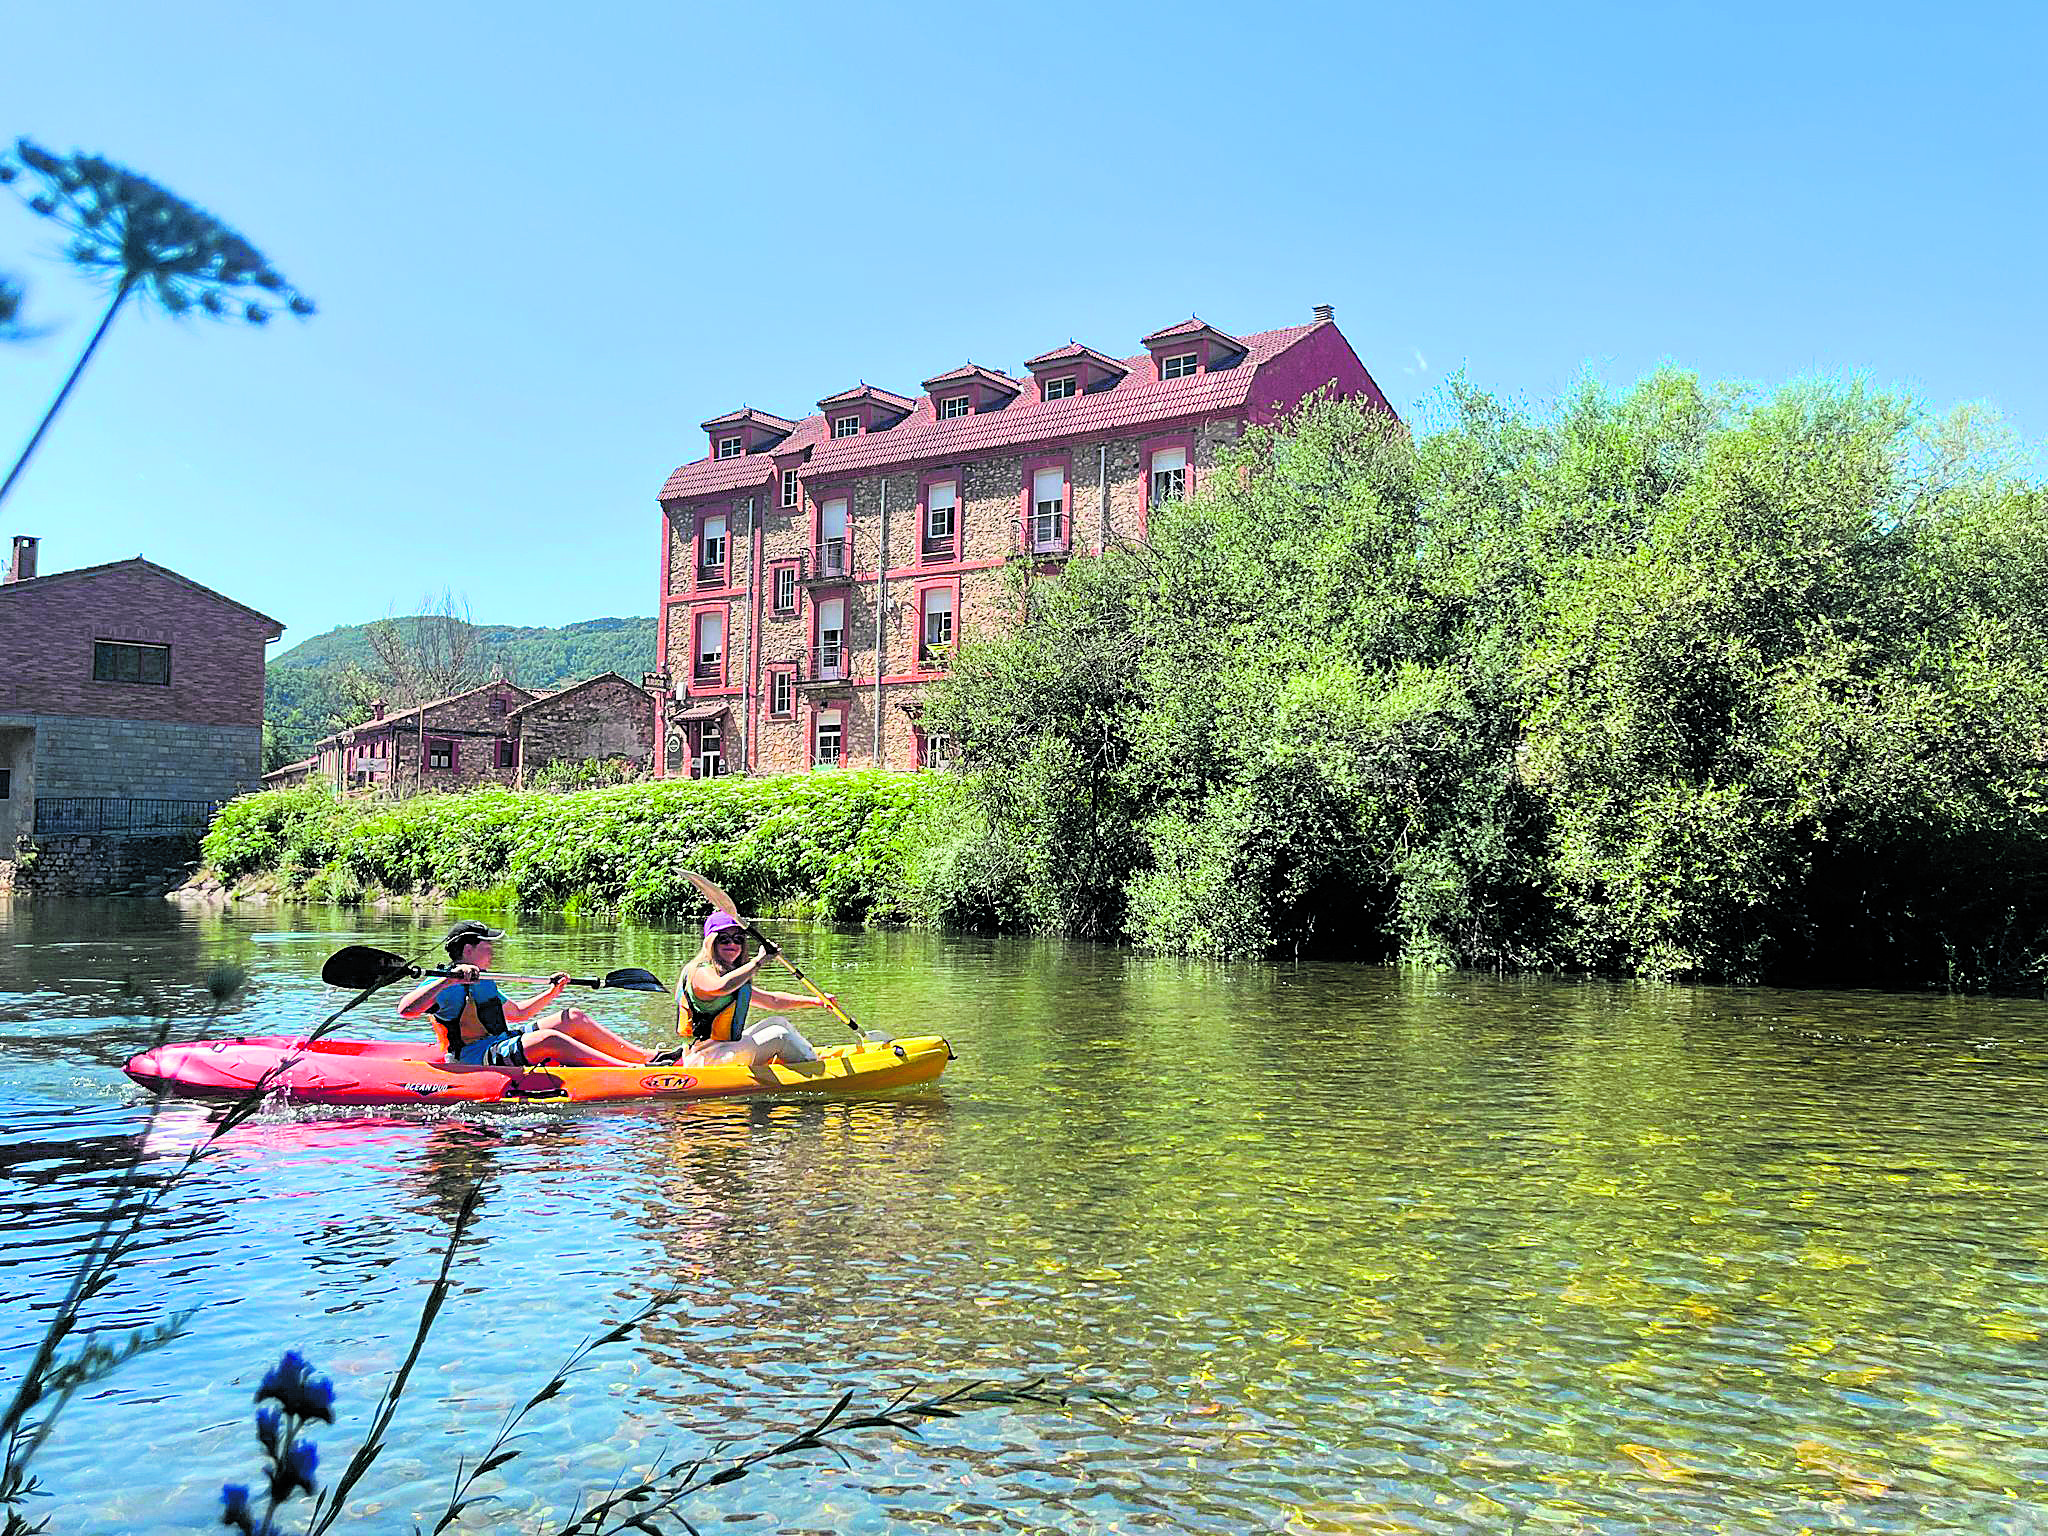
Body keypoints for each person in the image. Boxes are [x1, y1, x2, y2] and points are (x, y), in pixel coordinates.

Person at [398, 920, 654, 1068]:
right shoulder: (441, 982)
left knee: (572, 1016)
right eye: (488, 945)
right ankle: (630, 1071)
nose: (492, 951)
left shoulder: (484, 980)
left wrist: (552, 992)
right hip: (472, 1057)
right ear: (468, 949)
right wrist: (446, 981)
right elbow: (406, 1010)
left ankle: (649, 1058)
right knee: (548, 1039)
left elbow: (519, 1014)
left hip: (500, 1041)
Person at [673, 912, 834, 1066]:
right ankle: (815, 1068)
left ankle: (807, 1059)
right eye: (724, 939)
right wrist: (758, 961)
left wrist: (816, 1001)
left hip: (720, 1050)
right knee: (780, 1035)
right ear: (711, 942)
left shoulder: (731, 977)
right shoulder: (700, 972)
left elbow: (773, 1000)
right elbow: (721, 987)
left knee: (778, 1022)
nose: (732, 944)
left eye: (738, 939)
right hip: (706, 1058)